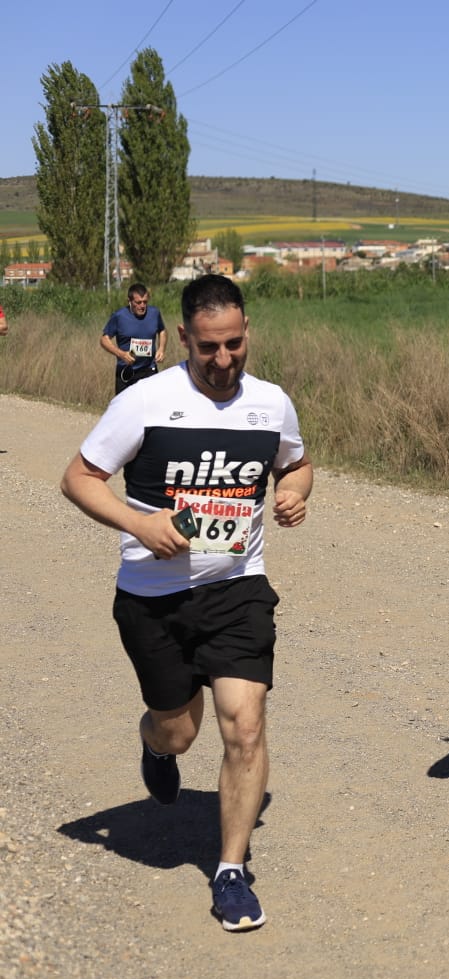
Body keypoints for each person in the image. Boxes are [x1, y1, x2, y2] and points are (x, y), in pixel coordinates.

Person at [61, 274, 313, 930]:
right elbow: (79, 478)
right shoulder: (145, 402)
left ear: (248, 332)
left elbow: (296, 462)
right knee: (180, 727)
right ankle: (157, 746)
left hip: (237, 590)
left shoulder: (271, 404)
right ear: (183, 339)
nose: (224, 359)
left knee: (245, 723)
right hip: (153, 599)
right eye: (209, 348)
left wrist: (295, 493)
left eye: (234, 344)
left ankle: (230, 869)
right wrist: (138, 524)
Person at [101, 283, 167, 395]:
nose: (142, 306)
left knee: (151, 409)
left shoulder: (154, 313)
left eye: (145, 302)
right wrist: (121, 354)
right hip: (126, 372)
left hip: (149, 370)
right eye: (138, 302)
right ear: (129, 301)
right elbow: (104, 339)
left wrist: (161, 349)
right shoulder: (119, 316)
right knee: (125, 411)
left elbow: (162, 331)